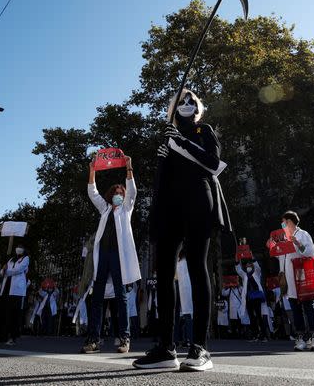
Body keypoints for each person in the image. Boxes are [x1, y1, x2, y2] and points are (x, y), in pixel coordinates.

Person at [133, 90, 231, 371]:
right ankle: (166, 348)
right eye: (182, 102)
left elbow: (213, 163)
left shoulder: (203, 130)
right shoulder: (168, 134)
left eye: (192, 101)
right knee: (164, 272)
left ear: (197, 108)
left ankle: (200, 348)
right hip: (169, 207)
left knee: (198, 266)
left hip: (199, 200)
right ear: (173, 109)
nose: (187, 104)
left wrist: (182, 142)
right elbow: (162, 178)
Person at [81, 155, 140, 354]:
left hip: (118, 257)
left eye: (120, 192)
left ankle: (124, 338)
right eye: (115, 192)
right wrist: (92, 170)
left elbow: (132, 191)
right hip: (103, 256)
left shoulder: (126, 210)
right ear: (110, 195)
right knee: (96, 299)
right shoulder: (105, 209)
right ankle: (93, 340)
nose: (118, 194)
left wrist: (129, 168)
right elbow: (92, 192)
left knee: (121, 296)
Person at [270, 211, 314, 352]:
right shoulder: (282, 238)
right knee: (295, 309)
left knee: (309, 307)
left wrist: (297, 243)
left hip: (302, 277)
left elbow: (311, 252)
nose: (282, 224)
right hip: (289, 280)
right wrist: (272, 247)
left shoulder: (303, 234)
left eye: (283, 221)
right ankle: (300, 339)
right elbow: (280, 256)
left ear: (289, 221)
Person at [0, 244, 30, 345]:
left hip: (16, 291)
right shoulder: (10, 259)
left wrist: (6, 272)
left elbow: (19, 270)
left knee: (14, 315)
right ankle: (0, 337)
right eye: (17, 247)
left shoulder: (26, 259)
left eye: (21, 247)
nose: (18, 249)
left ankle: (12, 337)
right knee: (3, 314)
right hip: (5, 288)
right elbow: (3, 272)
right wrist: (0, 271)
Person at [235, 257, 269, 342]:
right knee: (251, 317)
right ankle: (255, 334)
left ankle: (263, 335)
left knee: (259, 316)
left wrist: (253, 257)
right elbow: (238, 270)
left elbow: (258, 267)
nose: (248, 266)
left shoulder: (256, 273)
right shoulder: (244, 275)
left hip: (257, 298)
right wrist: (236, 260)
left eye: (250, 264)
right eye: (247, 265)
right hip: (248, 298)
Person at [175, 250, 194, 348]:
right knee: (184, 316)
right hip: (180, 287)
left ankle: (188, 340)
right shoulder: (183, 261)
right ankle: (187, 340)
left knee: (185, 315)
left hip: (183, 287)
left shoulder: (182, 261)